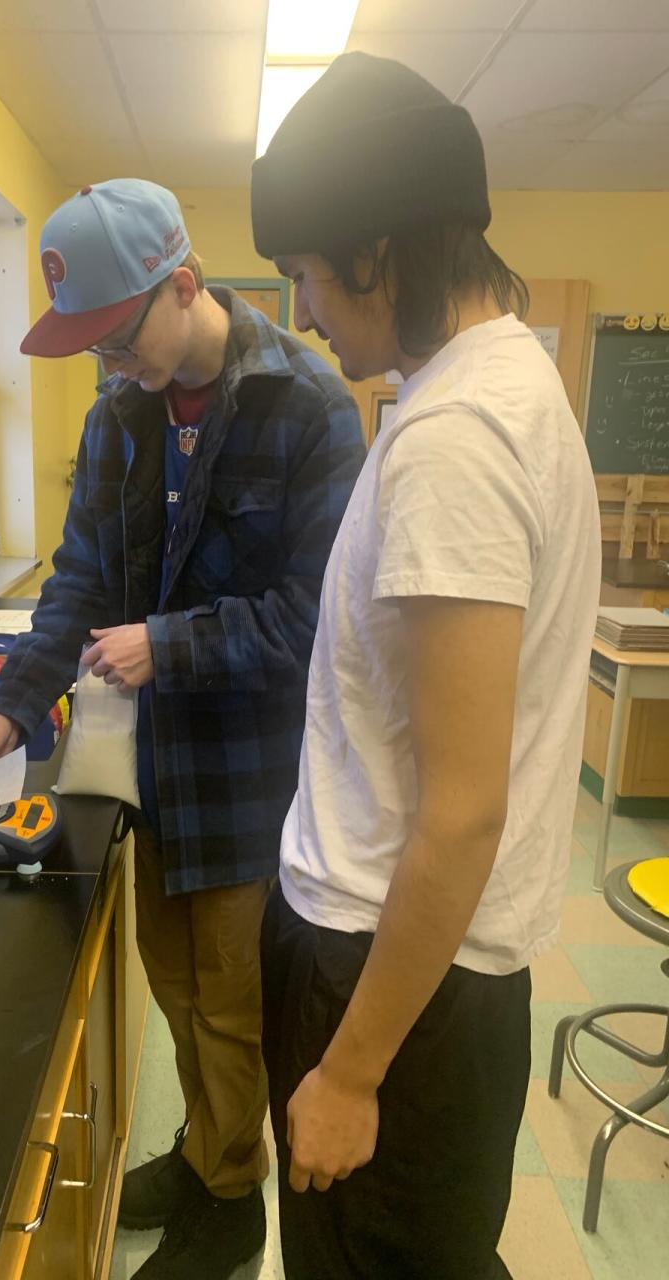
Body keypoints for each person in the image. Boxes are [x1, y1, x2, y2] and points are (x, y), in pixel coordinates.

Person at [0, 178, 363, 1279]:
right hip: (151, 774)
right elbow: (78, 580)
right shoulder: (118, 415)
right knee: (174, 984)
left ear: (183, 285)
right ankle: (204, 1147)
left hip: (251, 778)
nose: (110, 364)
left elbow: (316, 620)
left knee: (230, 1001)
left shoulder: (309, 404)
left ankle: (230, 1200)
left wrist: (165, 645)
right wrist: (8, 707)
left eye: (118, 337)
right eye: (93, 349)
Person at [249, 53, 601, 1279]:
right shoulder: (501, 387)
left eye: (305, 273)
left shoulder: (455, 434)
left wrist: (346, 1071)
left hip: (384, 977)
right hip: (424, 969)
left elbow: (461, 813)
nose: (300, 310)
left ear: (381, 251)